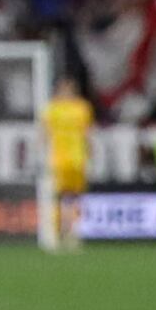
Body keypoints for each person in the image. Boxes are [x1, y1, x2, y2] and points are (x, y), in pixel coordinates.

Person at [41, 78, 94, 251]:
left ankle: (74, 233)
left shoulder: (82, 108)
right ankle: (58, 233)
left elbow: (87, 134)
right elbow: (44, 134)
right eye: (63, 88)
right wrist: (41, 155)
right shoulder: (52, 109)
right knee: (60, 197)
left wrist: (90, 154)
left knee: (75, 197)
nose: (65, 92)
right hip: (58, 160)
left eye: (68, 88)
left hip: (78, 159)